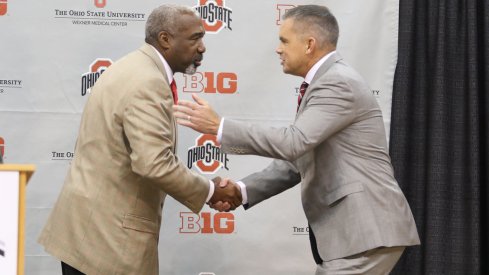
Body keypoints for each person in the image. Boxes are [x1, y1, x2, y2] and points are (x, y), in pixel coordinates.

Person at [174, 4, 420, 275]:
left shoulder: (337, 83)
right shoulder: (324, 83)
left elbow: (294, 142)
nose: (278, 49)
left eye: (284, 40)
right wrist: (241, 191)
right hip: (355, 235)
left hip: (365, 230)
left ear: (309, 44)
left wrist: (219, 126)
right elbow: (298, 158)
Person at [38, 5, 241, 275]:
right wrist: (212, 190)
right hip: (107, 241)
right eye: (195, 38)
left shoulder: (133, 66)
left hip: (89, 232)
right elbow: (154, 163)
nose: (202, 47)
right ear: (165, 39)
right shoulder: (148, 81)